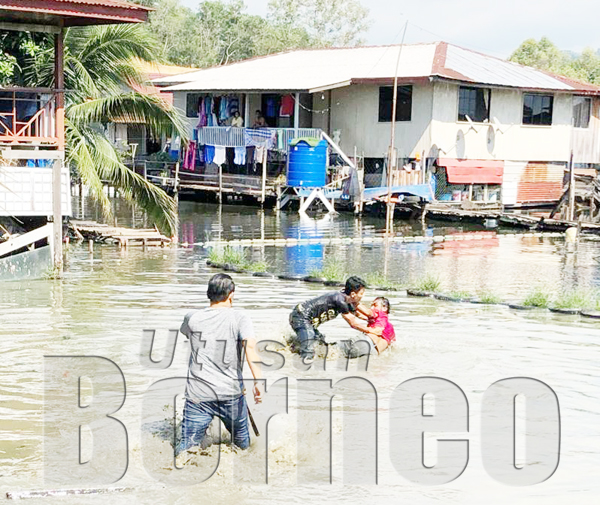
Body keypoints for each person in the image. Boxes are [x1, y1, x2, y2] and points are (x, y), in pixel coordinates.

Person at [177, 273, 262, 455]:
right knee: (243, 448)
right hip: (230, 394)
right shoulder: (240, 318)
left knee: (185, 450)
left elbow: (187, 333)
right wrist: (258, 381)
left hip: (197, 395)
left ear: (209, 294)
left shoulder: (192, 317)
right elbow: (250, 349)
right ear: (231, 295)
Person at [289, 276, 372, 361]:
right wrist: (371, 331)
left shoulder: (347, 301)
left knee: (320, 343)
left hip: (309, 322)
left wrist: (371, 319)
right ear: (353, 294)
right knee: (309, 350)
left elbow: (358, 314)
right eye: (361, 293)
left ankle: (292, 346)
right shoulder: (340, 300)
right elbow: (353, 323)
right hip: (301, 316)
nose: (363, 296)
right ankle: (303, 369)